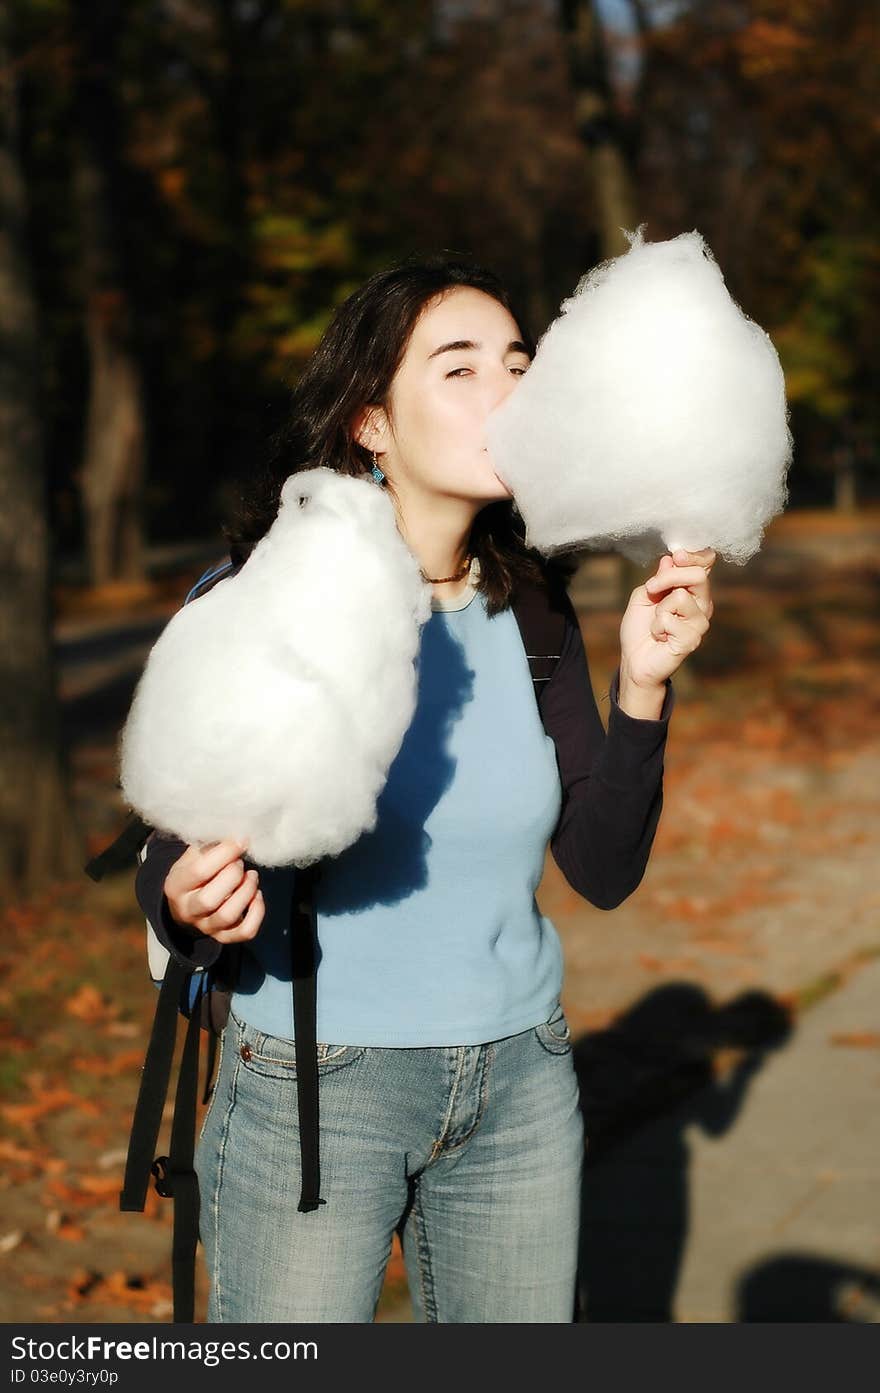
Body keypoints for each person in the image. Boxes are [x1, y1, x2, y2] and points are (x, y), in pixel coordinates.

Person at [135, 251, 714, 1323]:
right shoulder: (273, 596)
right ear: (370, 423)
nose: (505, 388)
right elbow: (170, 840)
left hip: (523, 1080)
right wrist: (184, 894)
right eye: (459, 368)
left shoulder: (532, 608)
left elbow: (600, 868)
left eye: (517, 361)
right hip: (319, 1083)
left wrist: (641, 684)